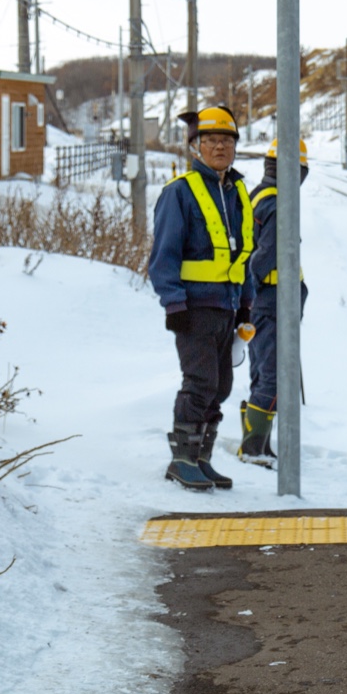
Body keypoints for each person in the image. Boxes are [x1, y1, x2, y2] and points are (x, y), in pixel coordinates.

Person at [148, 105, 255, 491]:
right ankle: (181, 459)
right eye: (210, 140)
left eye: (226, 140)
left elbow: (244, 255)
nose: (219, 147)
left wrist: (246, 303)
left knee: (221, 385)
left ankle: (201, 458)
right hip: (193, 308)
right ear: (195, 147)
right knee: (200, 381)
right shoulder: (180, 193)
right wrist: (173, 304)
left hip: (227, 307)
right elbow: (163, 256)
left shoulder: (238, 192)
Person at [239, 137, 309, 466]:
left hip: (263, 299)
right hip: (271, 300)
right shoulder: (278, 202)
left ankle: (258, 445)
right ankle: (253, 449)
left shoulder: (261, 194)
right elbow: (265, 257)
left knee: (262, 371)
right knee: (275, 375)